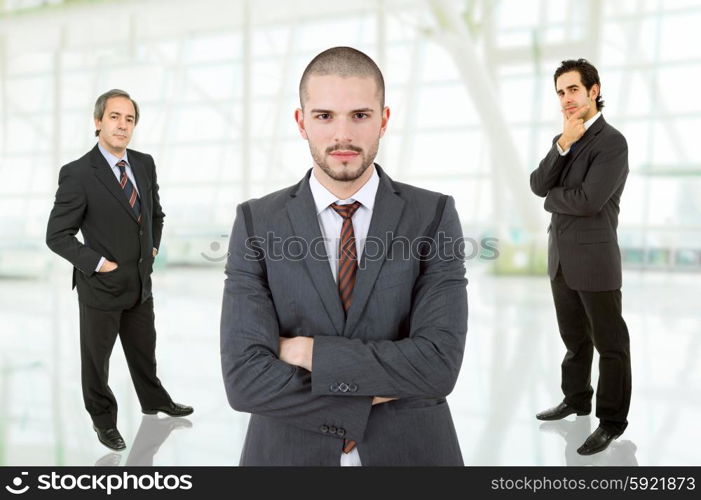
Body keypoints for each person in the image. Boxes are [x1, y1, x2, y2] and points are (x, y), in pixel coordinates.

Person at [220, 47, 468, 466]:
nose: (343, 136)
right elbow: (244, 380)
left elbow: (438, 365)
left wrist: (305, 353)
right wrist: (362, 400)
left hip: (412, 452)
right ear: (301, 122)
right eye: (324, 116)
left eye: (359, 115)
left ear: (383, 120)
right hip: (285, 455)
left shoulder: (433, 215)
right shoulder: (256, 222)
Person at [46, 89, 193, 451]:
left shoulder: (143, 163)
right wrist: (98, 264)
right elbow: (56, 235)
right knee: (97, 361)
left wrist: (153, 247)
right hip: (101, 286)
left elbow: (155, 214)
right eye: (114, 117)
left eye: (129, 119)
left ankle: (154, 399)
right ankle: (103, 420)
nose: (122, 125)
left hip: (140, 282)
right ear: (98, 122)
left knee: (144, 349)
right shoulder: (79, 173)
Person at [530, 59, 631, 455]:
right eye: (560, 92)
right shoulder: (566, 139)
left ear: (594, 90)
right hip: (561, 259)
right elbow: (538, 183)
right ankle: (576, 399)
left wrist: (553, 199)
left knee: (610, 343)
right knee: (574, 340)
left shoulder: (612, 142)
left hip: (595, 260)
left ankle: (611, 421)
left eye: (573, 89)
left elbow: (589, 201)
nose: (566, 99)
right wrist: (562, 145)